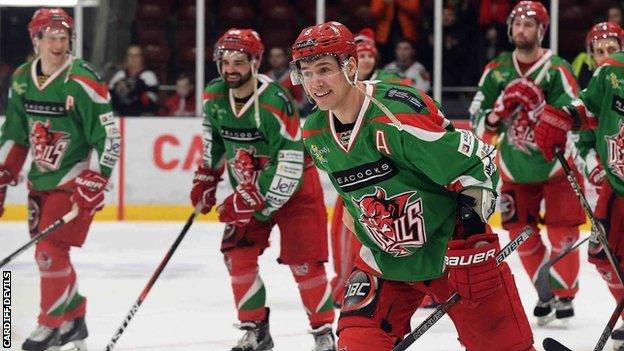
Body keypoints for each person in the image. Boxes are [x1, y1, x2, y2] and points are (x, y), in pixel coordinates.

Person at [292, 21, 534, 351]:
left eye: (323, 69)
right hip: (384, 261)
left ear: (350, 66)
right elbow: (354, 198)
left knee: (504, 346)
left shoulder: (394, 115)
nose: (315, 82)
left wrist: (473, 229)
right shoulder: (315, 132)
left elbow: (479, 162)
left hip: (449, 251)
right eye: (306, 73)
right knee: (357, 342)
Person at [191, 28, 335, 351]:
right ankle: (255, 328)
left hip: (297, 190)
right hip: (249, 190)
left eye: (239, 61)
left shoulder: (274, 102)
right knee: (237, 254)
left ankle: (324, 333)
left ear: (255, 62)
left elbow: (290, 164)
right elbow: (212, 142)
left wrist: (251, 202)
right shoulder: (213, 96)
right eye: (225, 61)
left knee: (305, 264)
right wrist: (206, 177)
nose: (231, 68)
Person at [0, 8, 120, 351]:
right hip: (41, 180)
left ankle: (50, 325)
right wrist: (2, 173)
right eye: (50, 36)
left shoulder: (84, 80)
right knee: (51, 253)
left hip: (75, 179)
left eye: (64, 36)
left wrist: (96, 178)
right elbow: (15, 133)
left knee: (50, 250)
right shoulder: (22, 78)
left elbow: (108, 137)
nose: (59, 43)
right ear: (35, 40)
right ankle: (75, 317)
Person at [469, 0, 585, 326]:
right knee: (520, 232)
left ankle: (565, 294)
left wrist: (541, 111)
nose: (522, 30)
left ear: (541, 30)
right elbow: (479, 122)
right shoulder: (497, 70)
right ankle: (544, 289)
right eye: (517, 24)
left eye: (529, 24)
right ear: (510, 29)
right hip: (515, 168)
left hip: (556, 167)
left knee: (563, 230)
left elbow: (576, 114)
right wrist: (498, 110)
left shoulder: (556, 68)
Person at [533, 44, 624, 351]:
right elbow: (590, 110)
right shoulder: (612, 71)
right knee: (605, 258)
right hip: (617, 188)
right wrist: (563, 119)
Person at [108, 44, 159, 116]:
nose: (133, 58)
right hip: (121, 115)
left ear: (142, 58)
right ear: (126, 58)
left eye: (136, 55)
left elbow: (151, 101)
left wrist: (134, 88)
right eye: (130, 55)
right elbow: (109, 97)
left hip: (142, 116)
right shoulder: (119, 75)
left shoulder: (148, 76)